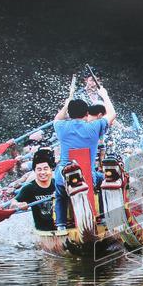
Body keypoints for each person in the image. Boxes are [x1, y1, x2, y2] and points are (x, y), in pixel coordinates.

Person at [53, 83, 116, 230]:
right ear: (87, 113)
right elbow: (112, 114)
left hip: (63, 176)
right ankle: (104, 218)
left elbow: (58, 117)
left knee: (60, 194)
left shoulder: (61, 126)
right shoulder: (94, 127)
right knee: (104, 180)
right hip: (88, 177)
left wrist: (67, 103)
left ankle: (61, 225)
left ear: (69, 114)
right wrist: (105, 95)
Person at [11, 148, 56, 232]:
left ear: (51, 169)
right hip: (43, 230)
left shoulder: (58, 184)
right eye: (39, 169)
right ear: (34, 171)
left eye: (45, 169)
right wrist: (19, 205)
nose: (42, 172)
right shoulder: (29, 188)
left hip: (61, 225)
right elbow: (13, 203)